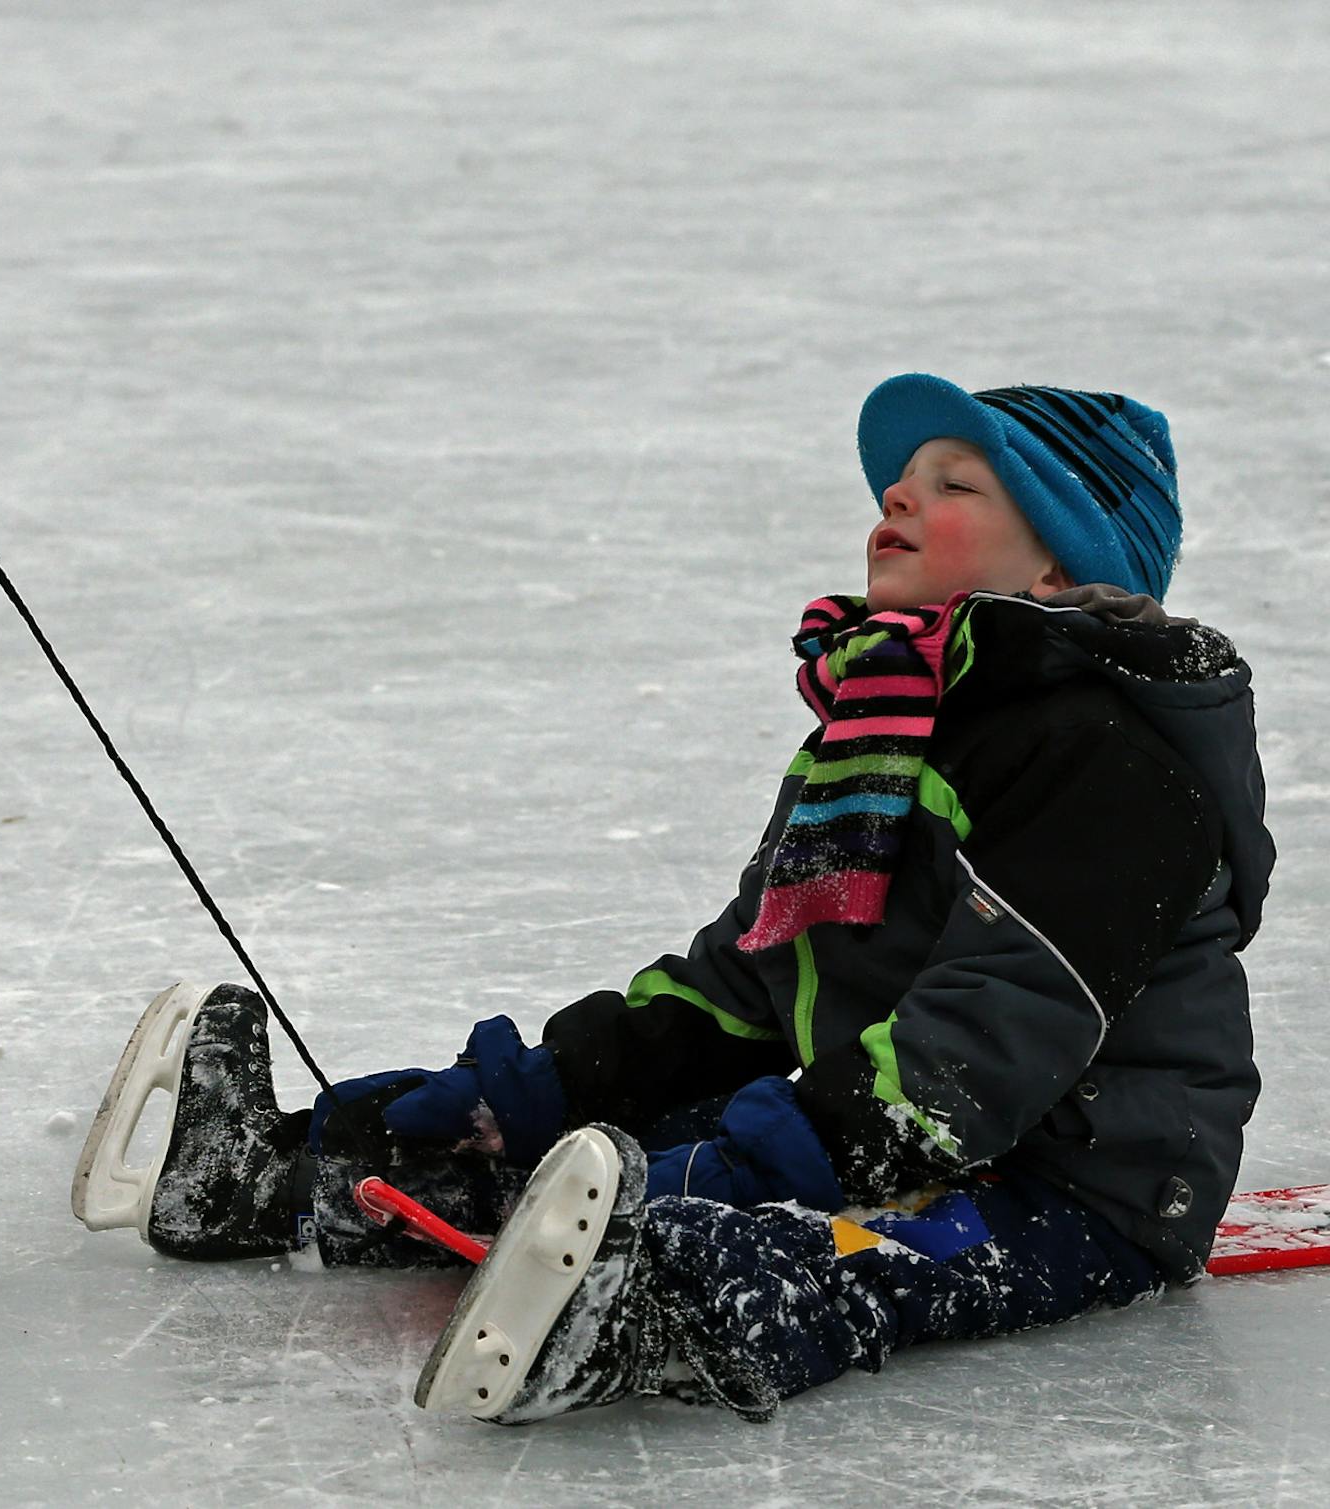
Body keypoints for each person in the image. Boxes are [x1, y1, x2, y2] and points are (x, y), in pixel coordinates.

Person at [73, 375, 1271, 1425]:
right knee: (562, 1149)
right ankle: (271, 1175)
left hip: (1071, 1181)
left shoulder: (1111, 763)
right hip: (863, 1116)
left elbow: (986, 1043)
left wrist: (767, 1161)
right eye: (900, 480)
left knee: (780, 1249)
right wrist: (541, 1093)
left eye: (953, 483)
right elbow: (755, 973)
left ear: (1062, 567)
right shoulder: (885, 725)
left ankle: (642, 1319)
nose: (897, 498)